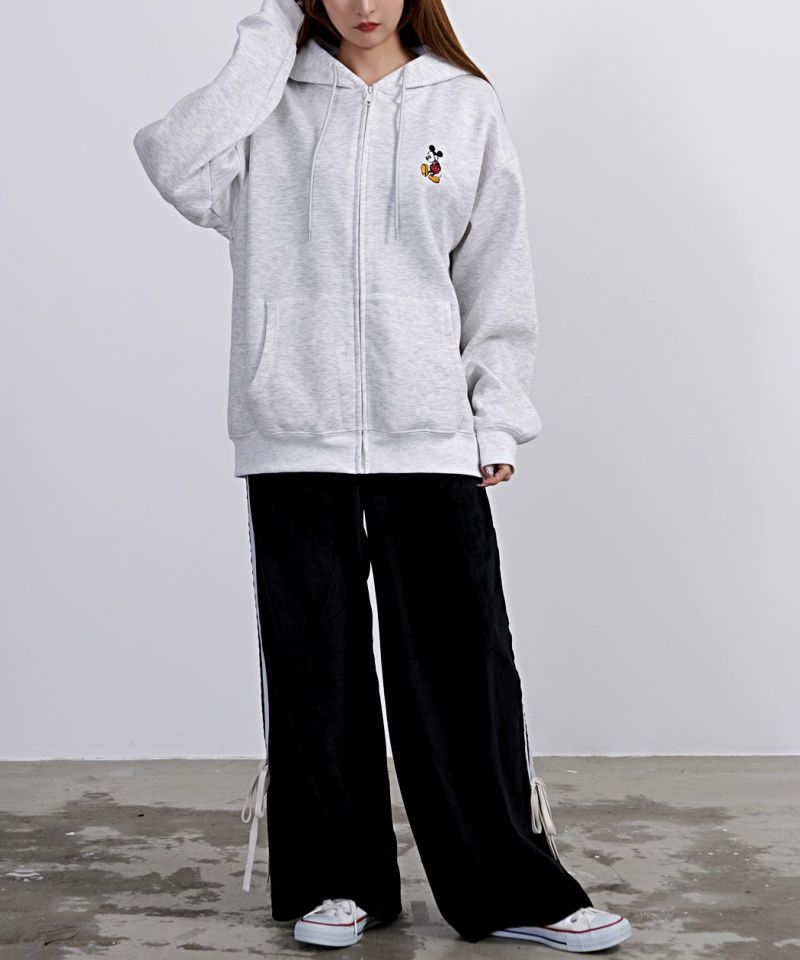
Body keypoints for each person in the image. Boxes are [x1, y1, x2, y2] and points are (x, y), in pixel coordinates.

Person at [133, 0, 632, 951]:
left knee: (462, 666)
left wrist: (496, 413)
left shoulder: (462, 104)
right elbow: (173, 162)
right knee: (314, 665)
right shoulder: (267, 102)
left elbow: (495, 269)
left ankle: (513, 889)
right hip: (294, 429)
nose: (362, 6)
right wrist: (267, 38)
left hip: (428, 429)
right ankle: (337, 881)